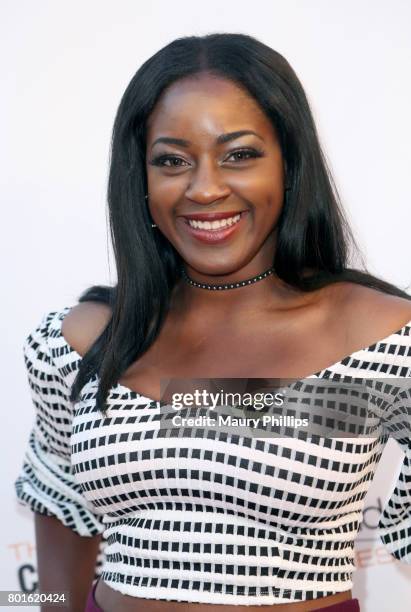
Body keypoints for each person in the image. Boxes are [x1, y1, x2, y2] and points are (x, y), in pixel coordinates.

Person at [15, 33, 411, 612]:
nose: (205, 188)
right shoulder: (77, 340)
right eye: (172, 160)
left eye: (239, 154)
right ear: (141, 180)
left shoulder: (381, 334)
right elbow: (59, 518)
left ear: (289, 162)